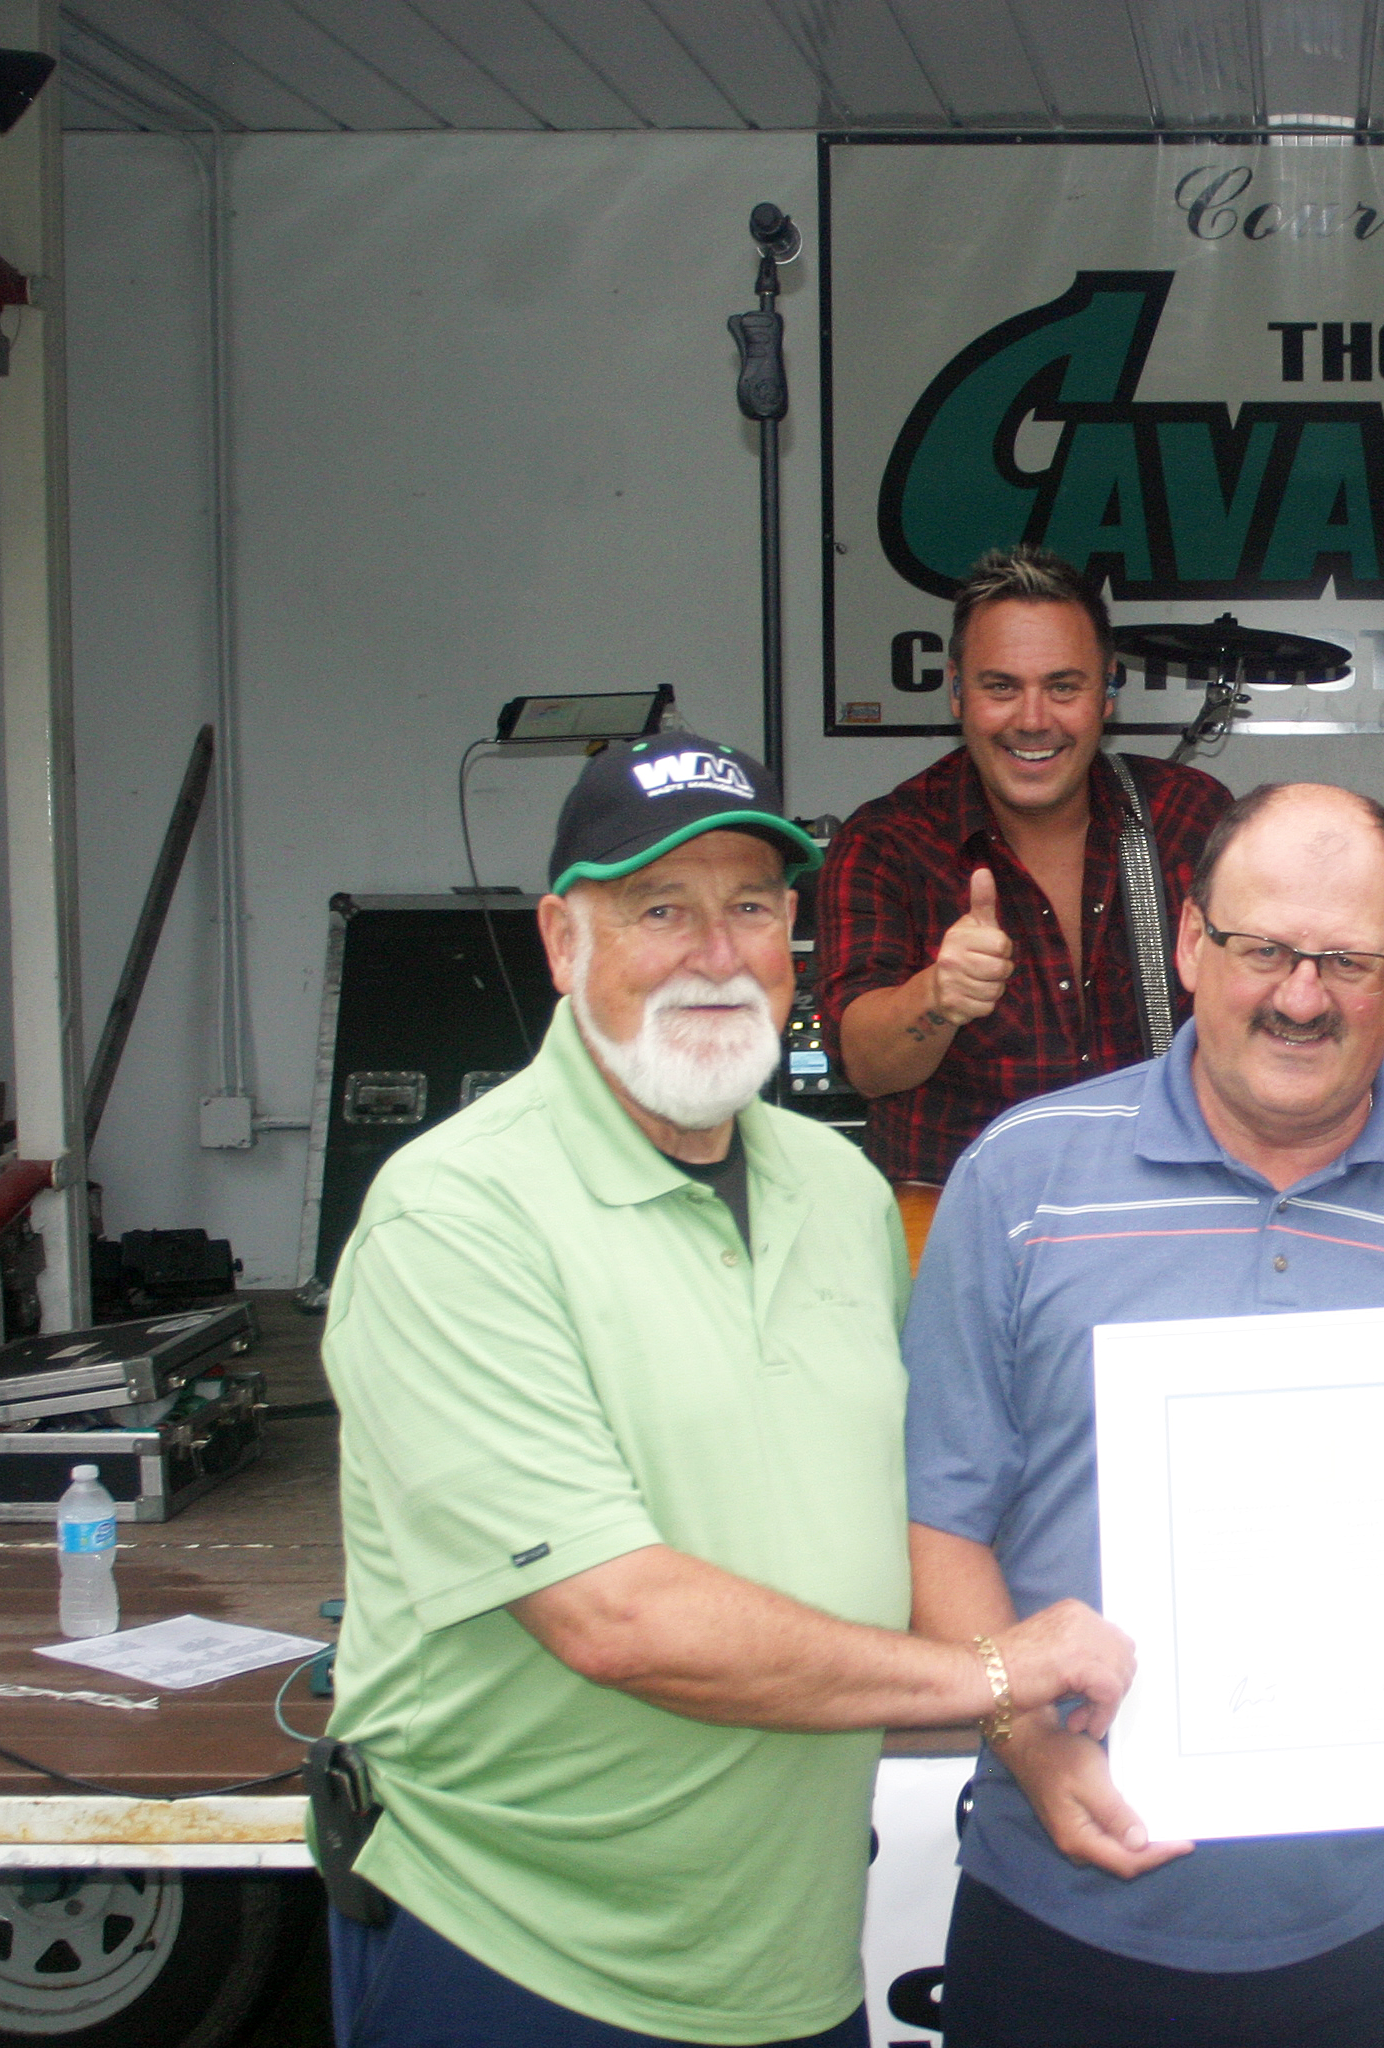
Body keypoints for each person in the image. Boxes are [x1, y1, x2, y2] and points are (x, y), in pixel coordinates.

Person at [317, 731, 1134, 2046]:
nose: (715, 950)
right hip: (522, 1958)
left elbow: (923, 1502)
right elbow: (618, 1618)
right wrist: (994, 1674)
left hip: (792, 1965)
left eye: (751, 906)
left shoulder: (840, 1191)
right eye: (659, 908)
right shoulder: (455, 1218)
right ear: (561, 942)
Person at [903, 781, 1384, 2048]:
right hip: (1055, 1907)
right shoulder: (1018, 1178)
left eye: (1347, 960)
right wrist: (1037, 1751)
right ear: (1190, 944)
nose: (1300, 994)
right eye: (1264, 947)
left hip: (1371, 1922)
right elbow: (939, 1523)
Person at [822, 545, 1233, 1258]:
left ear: (1108, 692)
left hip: (1157, 1227)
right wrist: (939, 997)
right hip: (957, 1235)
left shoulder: (1185, 818)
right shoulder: (887, 840)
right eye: (1001, 687)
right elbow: (866, 1063)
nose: (1034, 719)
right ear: (956, 692)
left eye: (1064, 687)